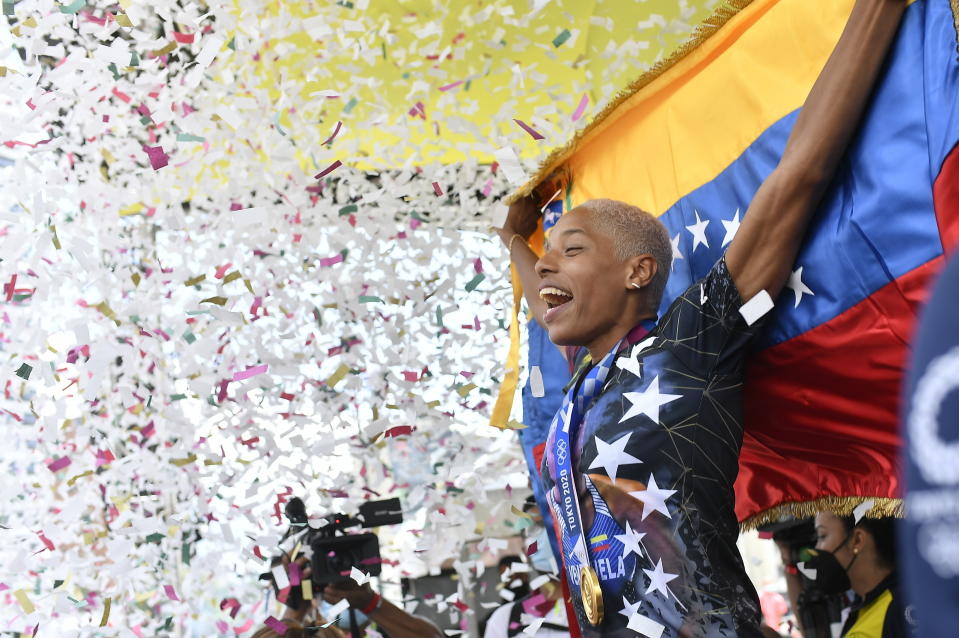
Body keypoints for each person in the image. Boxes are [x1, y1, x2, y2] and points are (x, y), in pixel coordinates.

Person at [495, 0, 907, 635]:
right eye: (549, 260)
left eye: (572, 250)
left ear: (639, 272)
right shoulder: (587, 385)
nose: (548, 270)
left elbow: (795, 179)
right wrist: (517, 243)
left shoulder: (684, 346)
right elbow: (546, 295)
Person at [804, 512, 914, 637]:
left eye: (822, 536)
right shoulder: (860, 607)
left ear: (857, 540)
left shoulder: (901, 609)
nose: (817, 548)